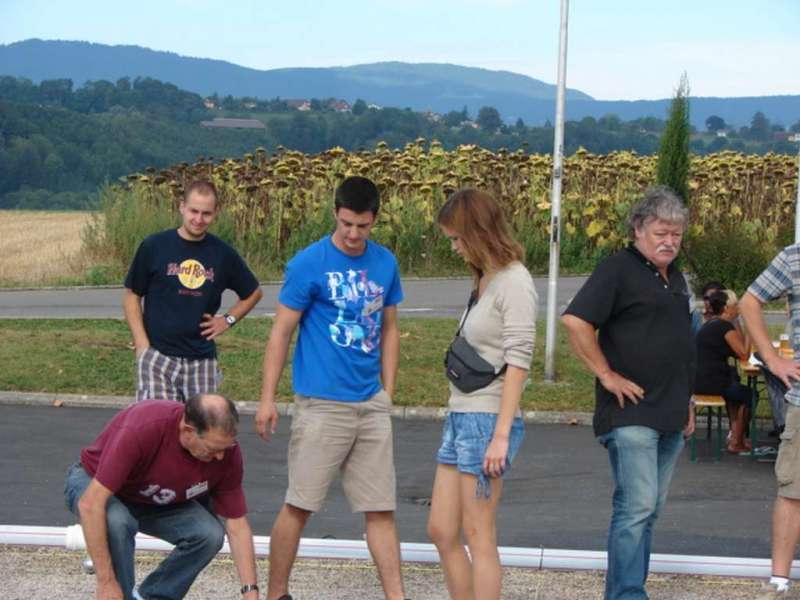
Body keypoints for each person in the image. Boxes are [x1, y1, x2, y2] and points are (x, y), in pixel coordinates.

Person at [255, 176, 407, 600]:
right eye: (346, 225)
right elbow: (281, 332)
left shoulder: (385, 263)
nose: (354, 234)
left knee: (380, 508)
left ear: (374, 219)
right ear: (335, 215)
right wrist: (269, 398)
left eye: (362, 226)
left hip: (370, 403)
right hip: (322, 404)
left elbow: (391, 328)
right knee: (300, 503)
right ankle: (277, 594)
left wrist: (387, 390)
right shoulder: (309, 263)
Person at [561, 186, 696, 600]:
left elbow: (678, 342)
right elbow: (576, 321)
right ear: (638, 229)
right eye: (661, 233)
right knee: (635, 508)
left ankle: (625, 589)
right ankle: (627, 595)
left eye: (676, 234)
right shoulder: (617, 270)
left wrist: (688, 401)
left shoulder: (677, 278)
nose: (669, 241)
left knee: (648, 511)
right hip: (631, 412)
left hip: (671, 412)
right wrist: (606, 374)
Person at [426, 189, 537, 600]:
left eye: (457, 238)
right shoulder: (485, 278)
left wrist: (502, 435)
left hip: (487, 418)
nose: (454, 247)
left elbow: (519, 360)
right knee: (441, 527)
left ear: (477, 232)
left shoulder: (515, 281)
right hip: (462, 414)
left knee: (479, 533)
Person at [63, 394, 260, 600]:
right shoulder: (143, 427)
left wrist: (251, 592)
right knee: (118, 521)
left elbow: (237, 525)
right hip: (93, 483)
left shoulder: (227, 453)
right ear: (187, 431)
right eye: (213, 449)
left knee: (208, 535)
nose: (220, 456)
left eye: (225, 448)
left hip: (154, 497)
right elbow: (90, 504)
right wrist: (106, 582)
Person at [123, 180, 263, 402]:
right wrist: (142, 345)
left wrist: (227, 320)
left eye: (206, 214)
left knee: (202, 432)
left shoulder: (223, 254)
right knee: (158, 426)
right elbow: (132, 295)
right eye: (193, 211)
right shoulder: (154, 246)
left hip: (201, 360)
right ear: (181, 207)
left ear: (216, 212)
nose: (198, 220)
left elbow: (253, 293)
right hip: (157, 357)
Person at [739, 245, 800, 599]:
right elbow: (749, 302)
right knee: (793, 492)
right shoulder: (793, 258)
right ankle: (779, 583)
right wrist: (772, 358)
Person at [694, 289, 754, 453]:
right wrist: (751, 329)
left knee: (736, 389)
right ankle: (736, 442)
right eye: (735, 305)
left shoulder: (714, 324)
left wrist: (739, 322)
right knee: (749, 394)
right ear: (727, 308)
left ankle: (736, 436)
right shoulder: (723, 327)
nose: (738, 308)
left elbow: (738, 346)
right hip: (709, 382)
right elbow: (743, 354)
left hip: (699, 379)